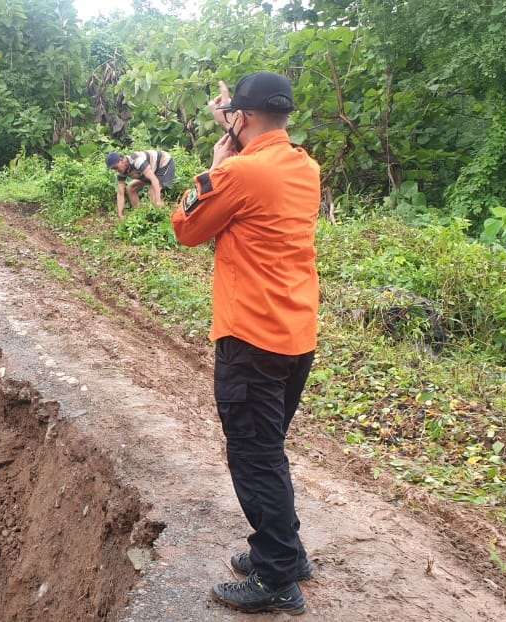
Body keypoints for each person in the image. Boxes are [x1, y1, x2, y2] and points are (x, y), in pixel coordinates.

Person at [170, 71, 320, 616]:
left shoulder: (236, 172)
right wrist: (232, 130)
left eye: (234, 114)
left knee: (254, 458)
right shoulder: (305, 167)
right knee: (267, 452)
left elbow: (186, 228)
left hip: (251, 337)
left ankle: (277, 577)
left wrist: (214, 164)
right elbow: (259, 157)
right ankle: (287, 553)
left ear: (246, 118)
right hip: (296, 334)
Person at [105, 149, 175, 219]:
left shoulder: (137, 161)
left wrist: (158, 200)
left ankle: (163, 218)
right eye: (114, 169)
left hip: (164, 163)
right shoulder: (121, 171)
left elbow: (154, 180)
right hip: (151, 170)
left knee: (152, 193)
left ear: (121, 160)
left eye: (116, 167)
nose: (117, 170)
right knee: (130, 188)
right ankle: (139, 215)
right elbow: (120, 193)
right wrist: (120, 214)